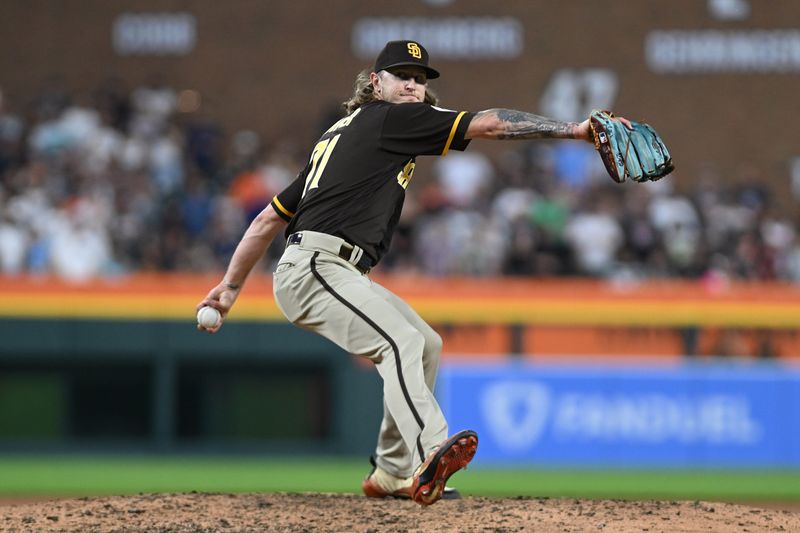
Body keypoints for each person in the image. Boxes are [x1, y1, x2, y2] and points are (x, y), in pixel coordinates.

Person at [196, 40, 632, 506]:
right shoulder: (390, 119)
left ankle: (391, 472)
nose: (412, 85)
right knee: (396, 343)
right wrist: (576, 129)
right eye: (401, 75)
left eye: (420, 80)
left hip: (332, 268)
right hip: (317, 267)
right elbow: (487, 123)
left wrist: (230, 285)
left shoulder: (343, 135)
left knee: (425, 344)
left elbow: (268, 219)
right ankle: (431, 450)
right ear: (374, 83)